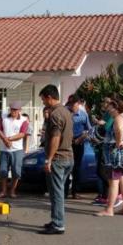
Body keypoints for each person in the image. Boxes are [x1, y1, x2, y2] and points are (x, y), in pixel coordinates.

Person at [96, 98, 123, 217]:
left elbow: (120, 129)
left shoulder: (119, 118)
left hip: (117, 153)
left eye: (110, 108)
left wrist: (118, 141)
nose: (108, 110)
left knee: (114, 181)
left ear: (116, 108)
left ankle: (109, 209)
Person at [38, 85, 74, 235]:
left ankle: (59, 224)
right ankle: (55, 220)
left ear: (49, 97)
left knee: (57, 193)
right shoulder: (66, 111)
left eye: (43, 100)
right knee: (55, 191)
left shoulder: (55, 114)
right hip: (68, 157)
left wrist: (49, 160)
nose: (43, 103)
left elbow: (55, 138)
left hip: (58, 158)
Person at [0, 101, 29, 198]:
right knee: (3, 171)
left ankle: (12, 191)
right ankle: (3, 191)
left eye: (15, 110)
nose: (13, 111)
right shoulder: (4, 117)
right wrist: (5, 140)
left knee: (16, 171)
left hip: (17, 149)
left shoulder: (24, 120)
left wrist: (9, 139)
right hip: (4, 149)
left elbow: (22, 134)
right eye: (12, 109)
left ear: (20, 110)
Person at [66, 95, 92, 199]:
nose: (72, 106)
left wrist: (81, 138)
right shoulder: (65, 113)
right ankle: (64, 191)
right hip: (66, 143)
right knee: (66, 167)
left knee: (76, 168)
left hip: (78, 143)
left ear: (78, 103)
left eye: (74, 103)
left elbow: (89, 130)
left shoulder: (83, 115)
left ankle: (75, 191)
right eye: (70, 104)